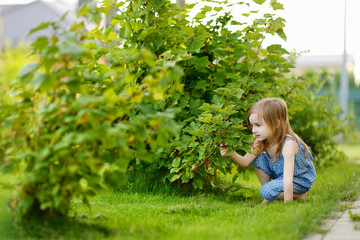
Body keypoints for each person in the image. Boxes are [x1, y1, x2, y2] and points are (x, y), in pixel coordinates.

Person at [220, 97, 316, 203]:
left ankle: (297, 195)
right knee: (258, 158)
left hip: (298, 180)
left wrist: (288, 204)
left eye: (258, 125)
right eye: (252, 125)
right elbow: (245, 162)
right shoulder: (261, 140)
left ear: (276, 124)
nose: (253, 130)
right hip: (281, 177)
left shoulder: (288, 144)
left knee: (265, 191)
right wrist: (231, 154)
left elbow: (288, 180)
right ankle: (271, 196)